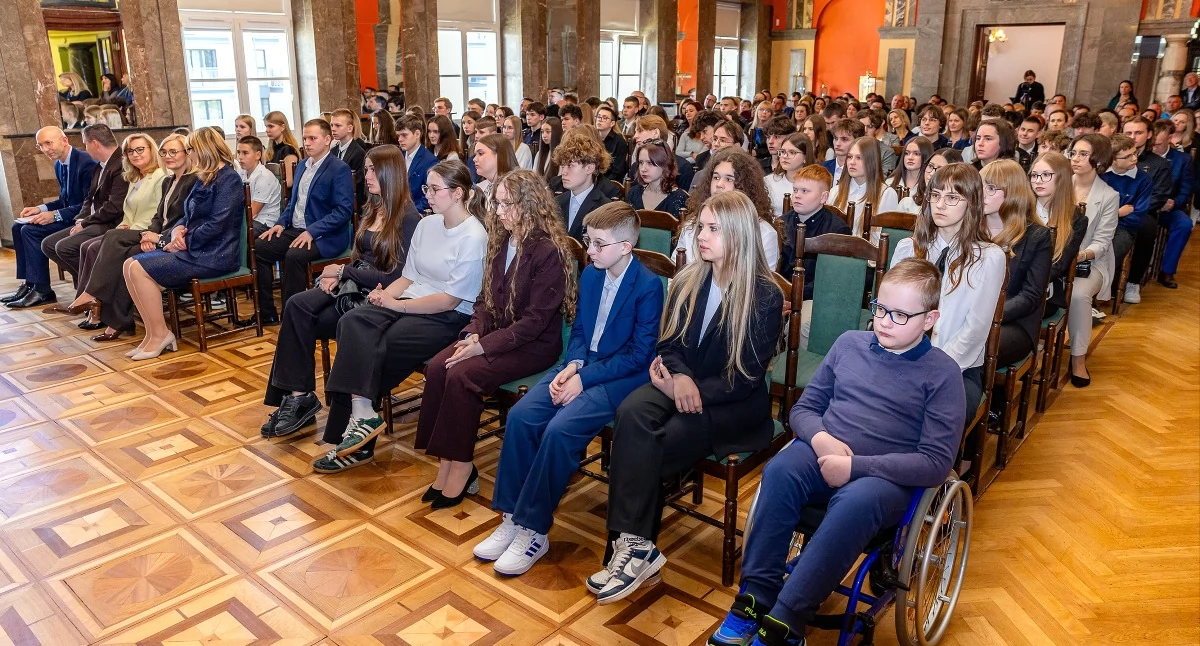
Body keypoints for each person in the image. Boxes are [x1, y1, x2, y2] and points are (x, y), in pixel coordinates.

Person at [708, 257, 964, 646]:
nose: (884, 321)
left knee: (856, 501)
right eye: (880, 308)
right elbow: (803, 410)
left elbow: (935, 463)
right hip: (826, 450)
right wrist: (821, 439)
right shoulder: (849, 344)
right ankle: (755, 598)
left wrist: (854, 467)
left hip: (884, 479)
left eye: (900, 315)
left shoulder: (942, 374)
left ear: (930, 319)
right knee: (780, 471)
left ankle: (788, 620)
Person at [587, 190, 784, 604]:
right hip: (679, 383)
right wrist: (677, 380)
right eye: (701, 228)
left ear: (739, 234)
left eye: (713, 229)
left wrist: (688, 387)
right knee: (631, 413)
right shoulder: (689, 279)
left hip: (732, 405)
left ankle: (628, 549)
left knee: (653, 443)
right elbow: (670, 343)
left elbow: (745, 377)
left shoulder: (765, 295)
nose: (701, 236)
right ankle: (636, 548)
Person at [474, 202, 664, 575]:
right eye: (588, 241)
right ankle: (511, 517)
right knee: (521, 416)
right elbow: (578, 331)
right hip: (582, 364)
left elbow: (639, 355)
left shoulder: (648, 286)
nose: (589, 250)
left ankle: (533, 530)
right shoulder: (591, 275)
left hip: (619, 377)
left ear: (626, 247)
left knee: (559, 431)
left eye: (599, 244)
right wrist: (574, 364)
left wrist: (584, 378)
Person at [414, 170, 576, 508]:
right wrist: (473, 332)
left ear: (529, 205)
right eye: (497, 203)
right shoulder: (501, 240)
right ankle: (447, 460)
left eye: (506, 204)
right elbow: (484, 300)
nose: (498, 211)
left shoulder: (548, 251)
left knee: (462, 374)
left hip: (533, 346)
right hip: (494, 334)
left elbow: (534, 322)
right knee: (438, 367)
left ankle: (461, 465)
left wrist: (482, 345)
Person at [264, 148, 433, 445]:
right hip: (353, 286)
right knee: (296, 305)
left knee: (311, 318)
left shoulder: (408, 218)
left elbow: (395, 277)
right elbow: (359, 257)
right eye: (365, 169)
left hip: (375, 295)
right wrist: (337, 275)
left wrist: (344, 272)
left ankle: (326, 408)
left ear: (390, 173)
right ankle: (298, 396)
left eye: (372, 170)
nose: (366, 176)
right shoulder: (373, 207)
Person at [122, 127, 246, 360]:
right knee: (129, 264)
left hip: (215, 254)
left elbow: (217, 224)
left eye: (190, 149)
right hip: (196, 249)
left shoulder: (229, 179)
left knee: (138, 268)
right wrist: (177, 231)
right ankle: (152, 334)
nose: (189, 154)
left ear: (204, 149)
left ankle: (160, 334)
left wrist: (182, 242)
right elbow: (187, 214)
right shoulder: (204, 177)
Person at [890, 163, 1006, 410]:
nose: (940, 204)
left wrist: (931, 368)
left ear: (971, 203)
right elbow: (891, 312)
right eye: (935, 195)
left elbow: (975, 330)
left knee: (930, 412)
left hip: (958, 366)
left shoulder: (989, 257)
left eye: (952, 197)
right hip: (901, 357)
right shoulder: (908, 248)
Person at [72, 133, 196, 341]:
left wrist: (155, 237)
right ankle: (115, 319)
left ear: (188, 153)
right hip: (152, 233)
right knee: (123, 254)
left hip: (172, 241)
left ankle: (94, 296)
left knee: (115, 241)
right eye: (165, 152)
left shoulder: (192, 181)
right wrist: (149, 234)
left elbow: (184, 220)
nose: (168, 156)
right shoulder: (169, 180)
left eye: (173, 152)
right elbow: (158, 216)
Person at [250, 119, 354, 325]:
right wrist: (280, 223)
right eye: (305, 138)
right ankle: (268, 313)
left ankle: (293, 316)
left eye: (312, 138)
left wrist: (312, 231)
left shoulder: (338, 168)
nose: (307, 143)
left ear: (327, 140)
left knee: (294, 255)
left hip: (325, 235)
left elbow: (343, 211)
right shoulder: (302, 166)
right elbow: (293, 203)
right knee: (259, 247)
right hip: (296, 229)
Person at [57, 133, 166, 328]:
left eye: (140, 149)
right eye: (130, 151)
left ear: (152, 150)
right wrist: (124, 224)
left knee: (107, 239)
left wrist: (130, 228)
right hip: (131, 229)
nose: (135, 154)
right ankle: (96, 309)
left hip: (148, 231)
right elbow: (129, 210)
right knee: (90, 247)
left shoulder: (160, 176)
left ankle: (92, 297)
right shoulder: (135, 177)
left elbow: (158, 213)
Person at [32, 125, 130, 310]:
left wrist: (85, 223)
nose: (85, 148)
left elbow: (115, 207)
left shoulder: (120, 164)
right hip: (93, 220)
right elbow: (89, 198)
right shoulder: (100, 165)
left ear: (95, 144)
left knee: (64, 246)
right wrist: (81, 218)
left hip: (111, 223)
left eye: (85, 144)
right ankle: (91, 291)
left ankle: (97, 293)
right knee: (48, 244)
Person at [4, 127, 98, 309]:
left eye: (48, 143)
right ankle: (30, 284)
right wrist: (39, 209)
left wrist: (54, 215)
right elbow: (64, 200)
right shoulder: (58, 164)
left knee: (30, 231)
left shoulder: (86, 163)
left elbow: (89, 204)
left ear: (64, 140)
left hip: (83, 220)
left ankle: (42, 291)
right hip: (70, 215)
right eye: (40, 146)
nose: (45, 149)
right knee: (18, 227)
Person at [979, 160, 1052, 367]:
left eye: (991, 188)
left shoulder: (1037, 236)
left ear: (1012, 193)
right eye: (980, 186)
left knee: (977, 345)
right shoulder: (969, 227)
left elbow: (1030, 296)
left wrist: (988, 315)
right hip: (970, 315)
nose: (982, 194)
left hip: (1014, 322)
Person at [779, 164, 853, 352]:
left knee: (800, 326)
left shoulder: (837, 229)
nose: (797, 195)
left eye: (805, 191)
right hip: (782, 293)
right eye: (795, 190)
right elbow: (776, 266)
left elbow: (831, 280)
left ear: (823, 197)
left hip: (814, 296)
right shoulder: (782, 222)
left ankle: (796, 366)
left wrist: (795, 298)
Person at [1066, 135, 1120, 387]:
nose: (1075, 159)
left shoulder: (1109, 195)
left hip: (1090, 262)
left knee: (1078, 296)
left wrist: (1080, 255)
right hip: (1054, 257)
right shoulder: (1060, 183)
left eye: (1083, 154)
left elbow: (1102, 242)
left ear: (1098, 160)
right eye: (1073, 153)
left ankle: (1078, 358)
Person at [678, 147, 781, 270]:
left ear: (745, 186)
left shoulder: (764, 233)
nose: (719, 185)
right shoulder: (692, 225)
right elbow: (677, 271)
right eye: (716, 177)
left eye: (729, 179)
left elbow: (762, 280)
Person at [1112, 117, 1171, 304]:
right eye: (1128, 132)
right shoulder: (1110, 162)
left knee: (1146, 229)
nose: (1133, 137)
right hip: (1115, 209)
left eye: (1138, 132)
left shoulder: (1159, 164)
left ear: (1149, 134)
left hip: (1143, 211)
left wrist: (1134, 208)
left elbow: (1159, 195)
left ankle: (1133, 281)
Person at [1150, 121, 1194, 289]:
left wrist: (1174, 203)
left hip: (1167, 208)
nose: (1154, 148)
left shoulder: (1182, 160)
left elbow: (1185, 191)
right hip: (1143, 205)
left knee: (1184, 224)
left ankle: (1167, 271)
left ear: (1169, 138)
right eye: (1152, 144)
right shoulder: (1143, 156)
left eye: (1158, 144)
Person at [828, 137, 901, 236]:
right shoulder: (835, 191)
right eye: (850, 157)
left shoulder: (886, 194)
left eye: (859, 158)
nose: (852, 162)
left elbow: (885, 237)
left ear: (872, 161)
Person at [552, 130, 615, 241]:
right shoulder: (556, 202)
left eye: (570, 165)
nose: (564, 172)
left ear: (589, 168)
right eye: (563, 165)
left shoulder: (604, 208)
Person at [624, 140, 688, 217]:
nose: (643, 169)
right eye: (641, 162)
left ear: (665, 165)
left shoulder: (678, 198)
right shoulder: (633, 193)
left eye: (650, 163)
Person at [235, 136, 282, 236]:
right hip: (248, 219)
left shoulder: (264, 176)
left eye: (245, 153)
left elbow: (252, 213)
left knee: (231, 234)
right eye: (238, 152)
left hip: (264, 222)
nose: (240, 157)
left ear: (258, 155)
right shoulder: (241, 172)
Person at [396, 115, 438, 213]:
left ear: (417, 134)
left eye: (404, 135)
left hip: (417, 213)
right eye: (398, 135)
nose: (400, 139)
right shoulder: (398, 156)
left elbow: (429, 196)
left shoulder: (430, 161)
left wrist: (408, 213)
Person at [765, 132, 812, 218]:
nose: (785, 156)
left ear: (805, 157)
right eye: (783, 152)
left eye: (792, 152)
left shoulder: (813, 185)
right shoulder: (768, 181)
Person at [890, 136, 933, 213]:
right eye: (907, 153)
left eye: (916, 154)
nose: (910, 157)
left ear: (926, 156)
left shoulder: (931, 184)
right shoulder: (890, 181)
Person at [264, 112, 302, 189]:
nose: (267, 130)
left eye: (271, 126)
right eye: (266, 126)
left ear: (282, 127)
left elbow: (288, 182)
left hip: (284, 193)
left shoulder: (288, 150)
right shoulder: (270, 150)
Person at [821, 118, 863, 184]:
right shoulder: (822, 168)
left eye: (844, 139)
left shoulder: (861, 171)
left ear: (857, 141)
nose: (838, 144)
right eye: (836, 138)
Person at [594, 105, 629, 182]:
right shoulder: (592, 138)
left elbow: (617, 171)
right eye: (598, 117)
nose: (600, 120)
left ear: (612, 123)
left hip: (610, 181)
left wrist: (601, 183)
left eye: (604, 118)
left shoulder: (619, 142)